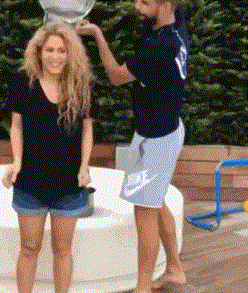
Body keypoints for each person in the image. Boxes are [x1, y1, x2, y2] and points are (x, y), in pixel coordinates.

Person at [76, 0, 189, 292]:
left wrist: (98, 35)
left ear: (165, 3)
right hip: (169, 128)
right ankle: (174, 269)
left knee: (145, 213)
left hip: (156, 139)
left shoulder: (158, 48)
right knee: (156, 200)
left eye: (145, 1)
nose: (137, 6)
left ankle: (142, 288)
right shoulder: (178, 24)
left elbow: (116, 76)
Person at [2, 21, 96, 293]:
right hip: (30, 182)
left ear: (71, 54)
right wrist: (16, 160)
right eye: (49, 50)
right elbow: (16, 125)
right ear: (39, 52)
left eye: (62, 51)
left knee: (63, 249)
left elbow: (88, 129)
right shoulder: (23, 82)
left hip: (68, 184)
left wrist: (84, 166)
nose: (55, 56)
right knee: (29, 248)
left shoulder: (81, 85)